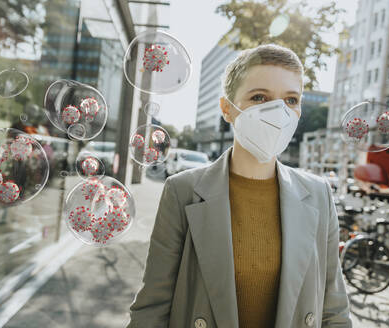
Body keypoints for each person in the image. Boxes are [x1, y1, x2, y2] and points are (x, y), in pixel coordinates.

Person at [127, 44, 352, 328]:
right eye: (260, 97)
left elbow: (334, 310)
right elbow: (152, 310)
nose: (278, 112)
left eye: (291, 100)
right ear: (227, 109)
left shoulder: (319, 195)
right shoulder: (181, 191)